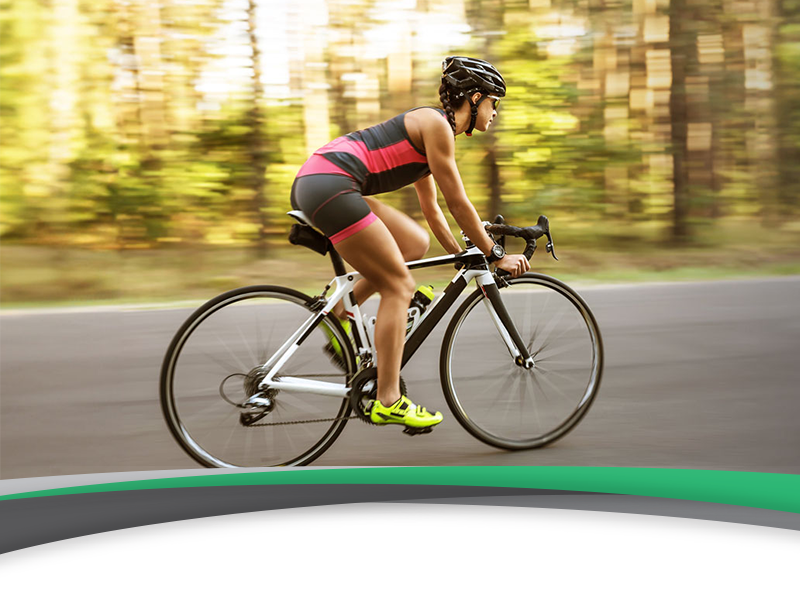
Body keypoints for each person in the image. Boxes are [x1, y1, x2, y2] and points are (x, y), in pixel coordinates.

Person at [290, 56, 530, 431]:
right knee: (399, 286)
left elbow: (433, 211)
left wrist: (462, 253)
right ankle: (388, 399)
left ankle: (339, 308)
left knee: (414, 242)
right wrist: (494, 254)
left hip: (324, 179)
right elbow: (458, 203)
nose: (495, 111)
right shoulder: (437, 127)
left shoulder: (429, 130)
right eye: (493, 102)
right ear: (475, 96)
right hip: (332, 184)